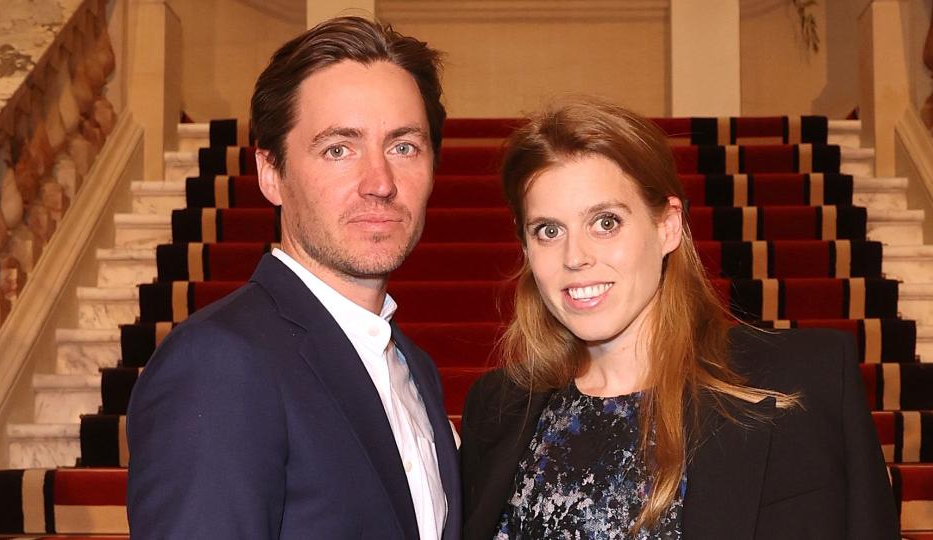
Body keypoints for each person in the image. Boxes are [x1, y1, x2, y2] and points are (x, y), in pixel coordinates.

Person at [459, 97, 899, 539]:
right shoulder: (496, 410)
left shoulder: (805, 380)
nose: (575, 257)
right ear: (526, 249)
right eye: (549, 231)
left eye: (605, 222)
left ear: (668, 226)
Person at [126, 17, 461, 539]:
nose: (380, 182)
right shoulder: (219, 363)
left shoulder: (414, 369)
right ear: (271, 173)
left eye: (403, 147)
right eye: (338, 149)